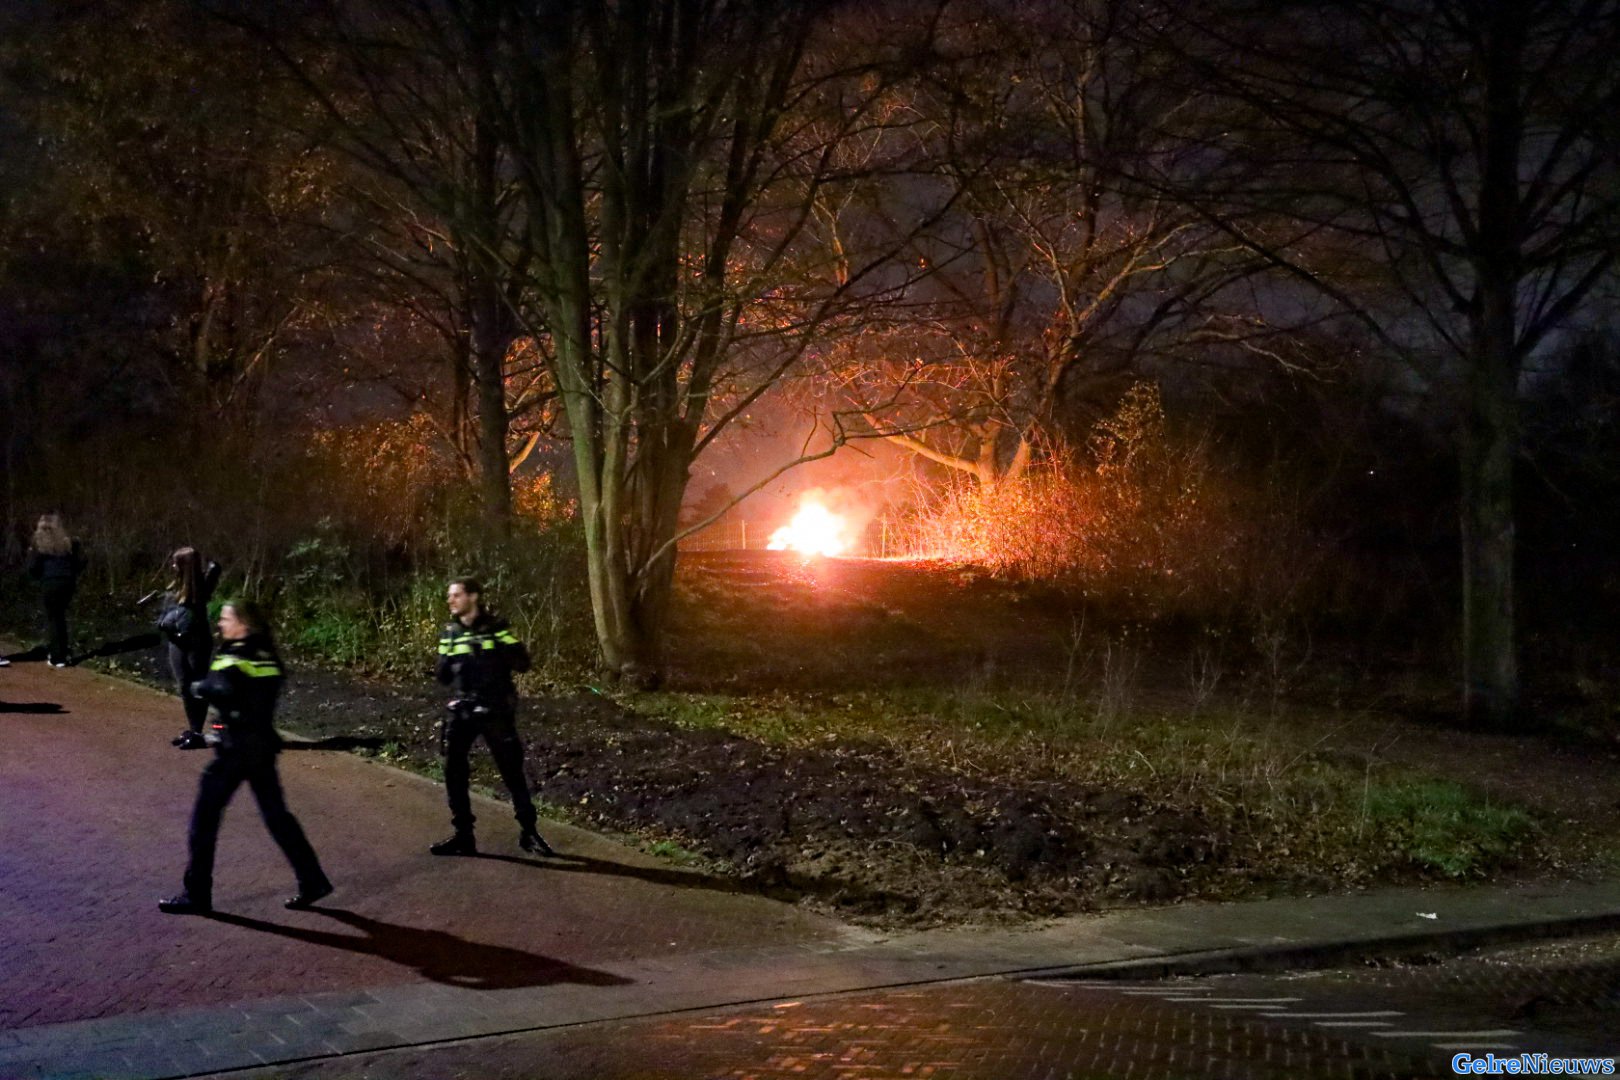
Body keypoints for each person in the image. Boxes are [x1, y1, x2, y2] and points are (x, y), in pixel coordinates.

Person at [158, 600, 332, 915]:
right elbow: (259, 693)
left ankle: (197, 893)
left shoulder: (235, 655)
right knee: (277, 817)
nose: (221, 623)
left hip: (236, 750)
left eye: (226, 618)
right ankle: (313, 880)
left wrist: (200, 687)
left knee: (204, 820)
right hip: (261, 746)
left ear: (243, 624)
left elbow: (221, 688)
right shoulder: (266, 654)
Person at [432, 577, 554, 857]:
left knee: (511, 770)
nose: (450, 600)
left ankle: (529, 831)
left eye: (456, 595)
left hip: (495, 709)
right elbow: (443, 677)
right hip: (463, 709)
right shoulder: (450, 632)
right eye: (450, 596)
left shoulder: (496, 628)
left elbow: (523, 663)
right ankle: (463, 835)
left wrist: (497, 648)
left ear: (473, 597)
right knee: (453, 770)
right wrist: (447, 661)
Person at [158, 548, 223, 750]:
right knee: (184, 685)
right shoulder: (175, 586)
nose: (172, 566)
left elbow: (215, 569)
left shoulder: (200, 588)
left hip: (196, 641)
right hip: (176, 640)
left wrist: (205, 562)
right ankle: (193, 729)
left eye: (176, 563)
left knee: (197, 685)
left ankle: (197, 731)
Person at [26, 513, 86, 667]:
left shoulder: (38, 543)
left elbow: (33, 567)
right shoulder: (68, 542)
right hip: (67, 581)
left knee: (53, 618)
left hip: (50, 581)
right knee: (60, 616)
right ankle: (62, 652)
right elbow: (81, 562)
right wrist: (72, 573)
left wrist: (39, 576)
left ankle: (57, 656)